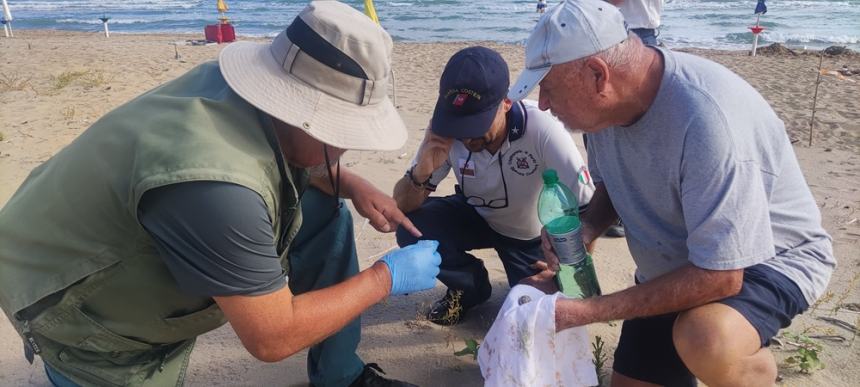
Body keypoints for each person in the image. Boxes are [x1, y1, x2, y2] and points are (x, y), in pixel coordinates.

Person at [0, 2, 442, 386]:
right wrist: (386, 277)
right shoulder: (219, 190)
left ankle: (338, 373)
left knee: (325, 210)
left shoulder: (234, 90)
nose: (344, 147)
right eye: (341, 133)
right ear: (302, 112)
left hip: (93, 222)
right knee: (114, 362)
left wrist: (353, 184)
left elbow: (287, 152)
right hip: (64, 294)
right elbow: (271, 338)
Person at [509, 1, 835, 386]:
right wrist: (588, 228)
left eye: (549, 88)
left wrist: (586, 311)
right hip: (672, 266)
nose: (543, 104)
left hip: (763, 260)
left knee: (705, 338)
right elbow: (613, 182)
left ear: (598, 75)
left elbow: (722, 275)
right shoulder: (602, 112)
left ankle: (757, 376)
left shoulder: (707, 122)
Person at [393, 46, 594, 325]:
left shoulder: (543, 128)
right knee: (409, 227)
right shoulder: (445, 132)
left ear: (507, 103)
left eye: (476, 124)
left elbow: (587, 208)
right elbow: (401, 207)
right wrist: (422, 170)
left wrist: (567, 273)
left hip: (528, 237)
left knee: (539, 313)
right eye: (458, 123)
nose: (466, 137)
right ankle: (469, 287)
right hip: (475, 213)